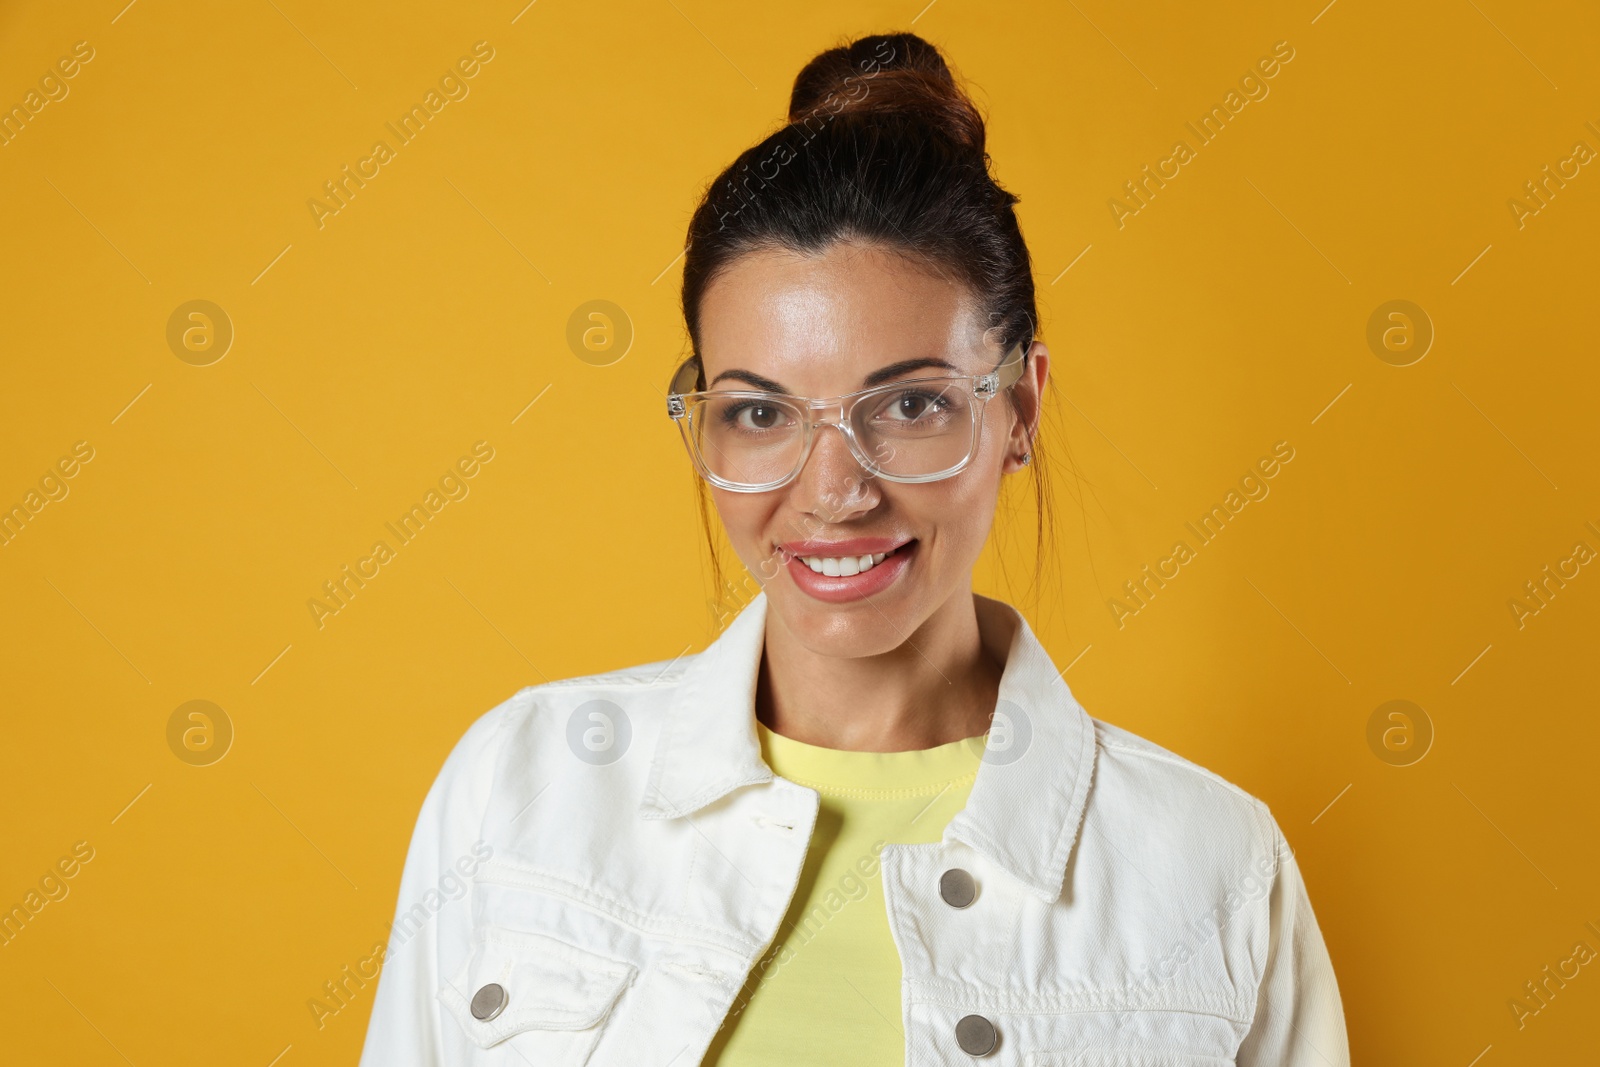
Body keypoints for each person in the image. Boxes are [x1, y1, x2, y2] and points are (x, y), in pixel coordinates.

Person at [359, 30, 1350, 1067]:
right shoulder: (521, 784)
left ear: (1018, 407)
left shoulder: (1213, 867)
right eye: (758, 413)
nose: (833, 491)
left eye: (911, 402)